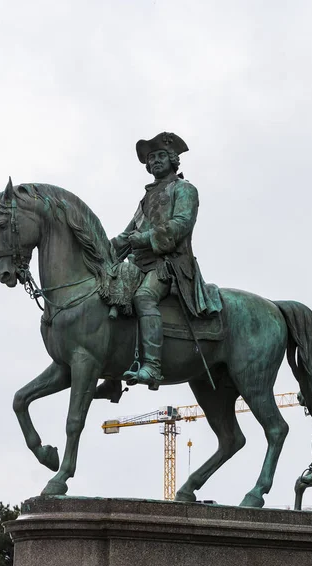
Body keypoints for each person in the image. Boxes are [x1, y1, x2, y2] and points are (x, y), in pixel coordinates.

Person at [111, 131, 221, 389]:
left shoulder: (184, 190)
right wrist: (105, 247)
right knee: (111, 294)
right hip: (140, 263)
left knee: (143, 298)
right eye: (151, 158)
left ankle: (153, 366)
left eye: (161, 156)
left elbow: (181, 224)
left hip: (170, 264)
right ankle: (113, 372)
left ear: (173, 159)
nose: (155, 161)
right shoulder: (147, 198)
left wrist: (147, 238)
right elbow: (128, 234)